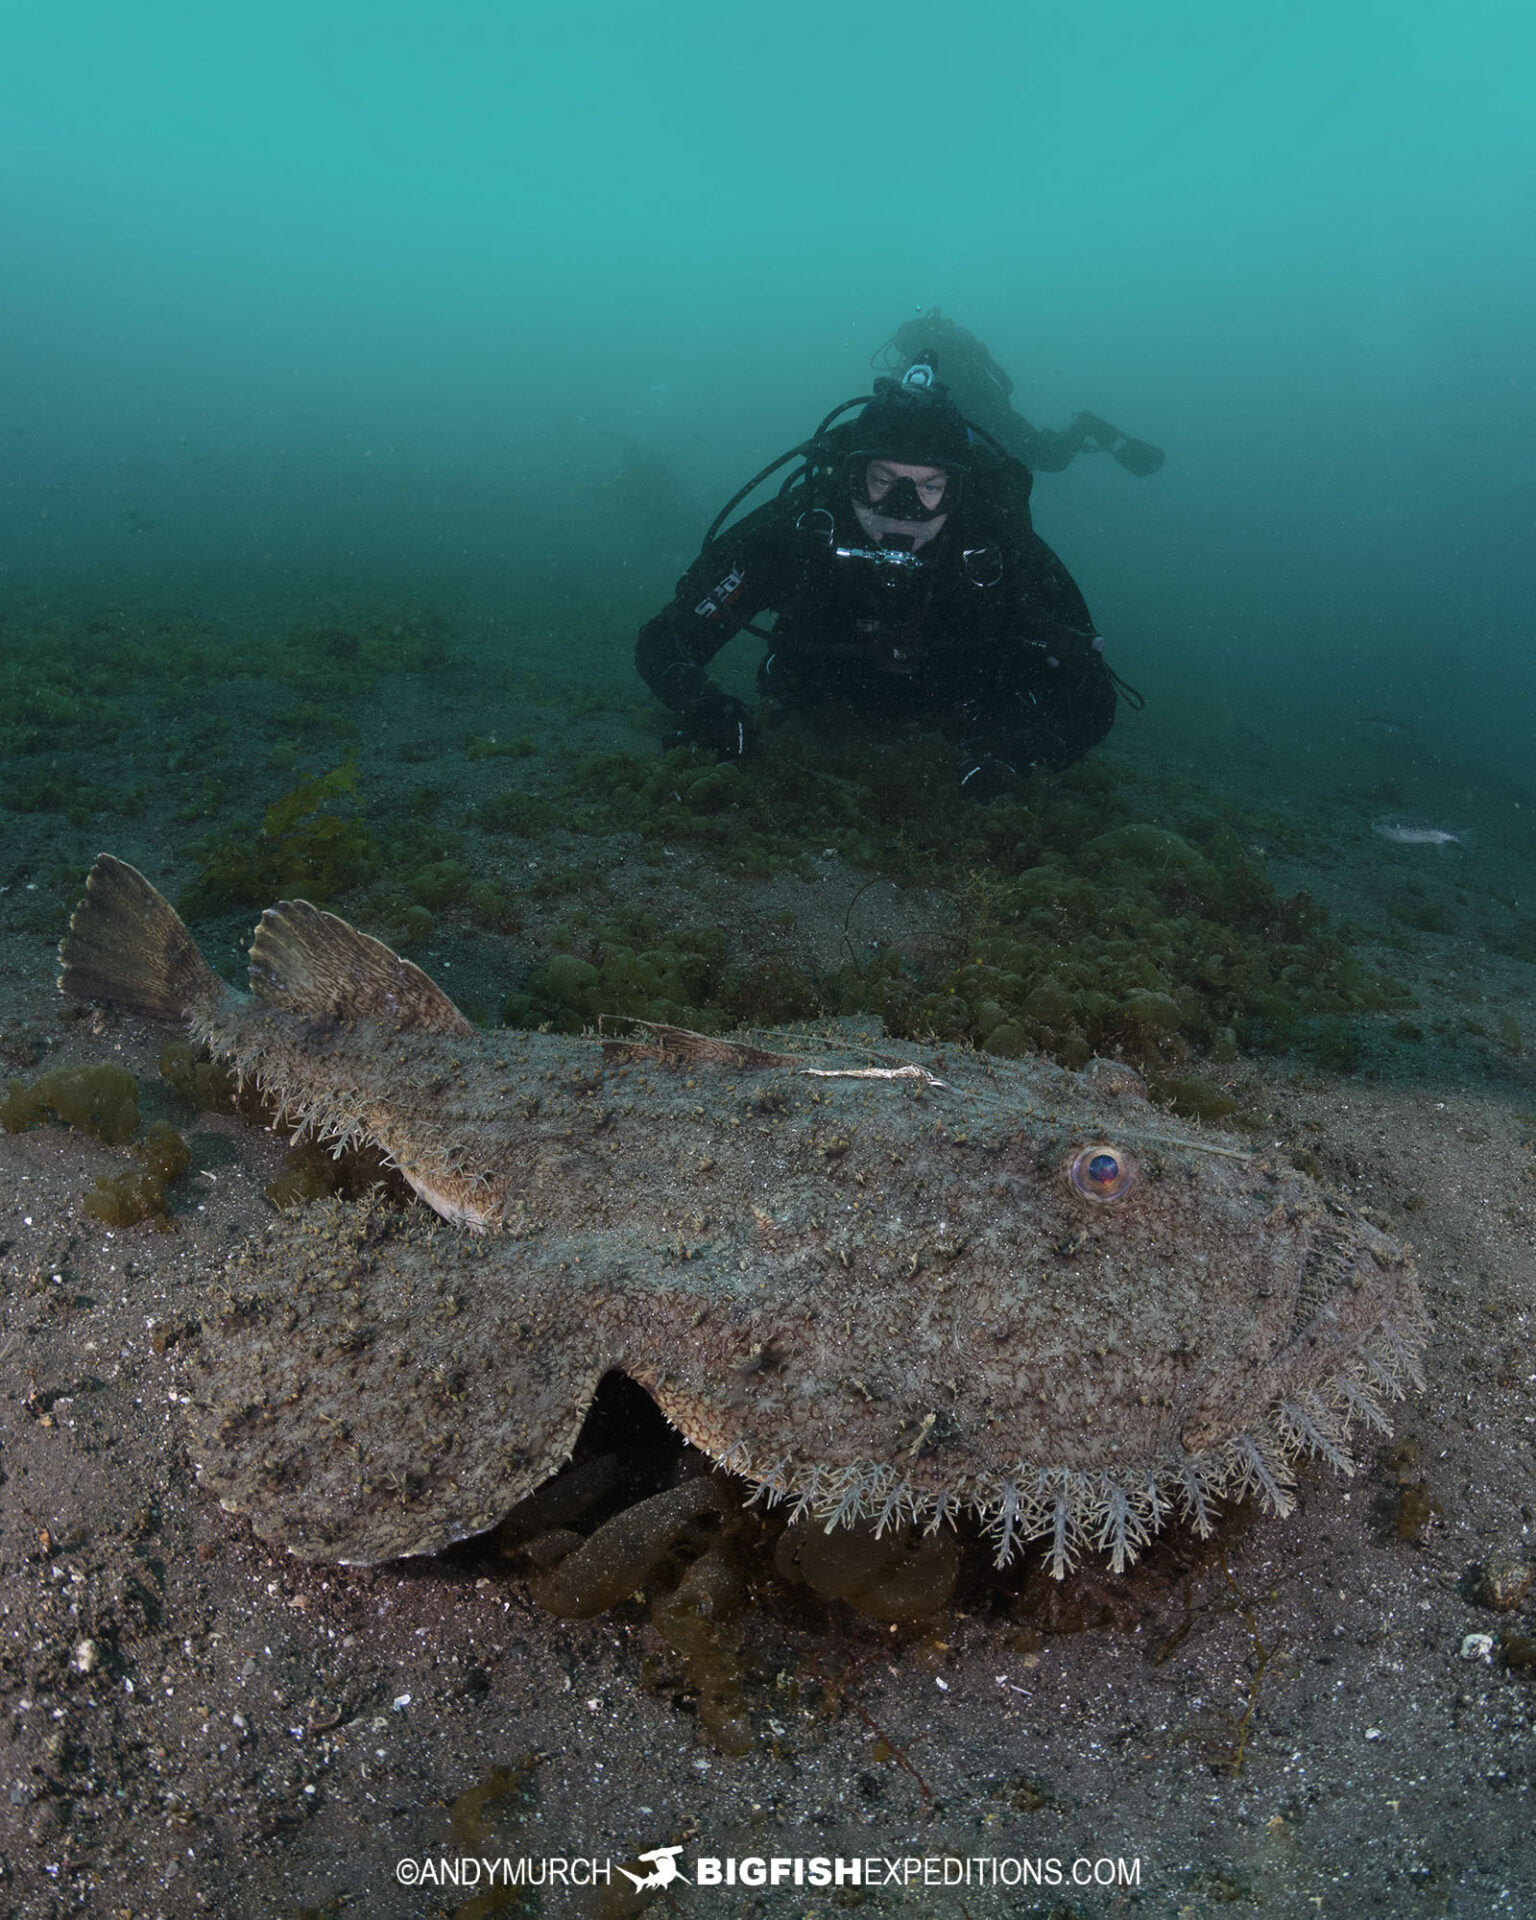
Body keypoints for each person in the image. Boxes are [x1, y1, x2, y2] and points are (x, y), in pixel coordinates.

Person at [634, 356, 1131, 797]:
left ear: (959, 490)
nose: (903, 509)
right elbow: (669, 637)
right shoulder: (801, 530)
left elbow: (1090, 697)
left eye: (929, 486)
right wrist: (702, 706)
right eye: (883, 480)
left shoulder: (998, 551)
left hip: (960, 710)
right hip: (817, 700)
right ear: (852, 477)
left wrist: (1021, 757)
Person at [874, 308, 1165, 478]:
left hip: (990, 421)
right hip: (982, 423)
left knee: (1051, 458)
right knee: (1042, 458)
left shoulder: (939, 359)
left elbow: (959, 395)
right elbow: (1001, 384)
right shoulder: (940, 356)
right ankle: (1071, 432)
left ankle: (1085, 424)